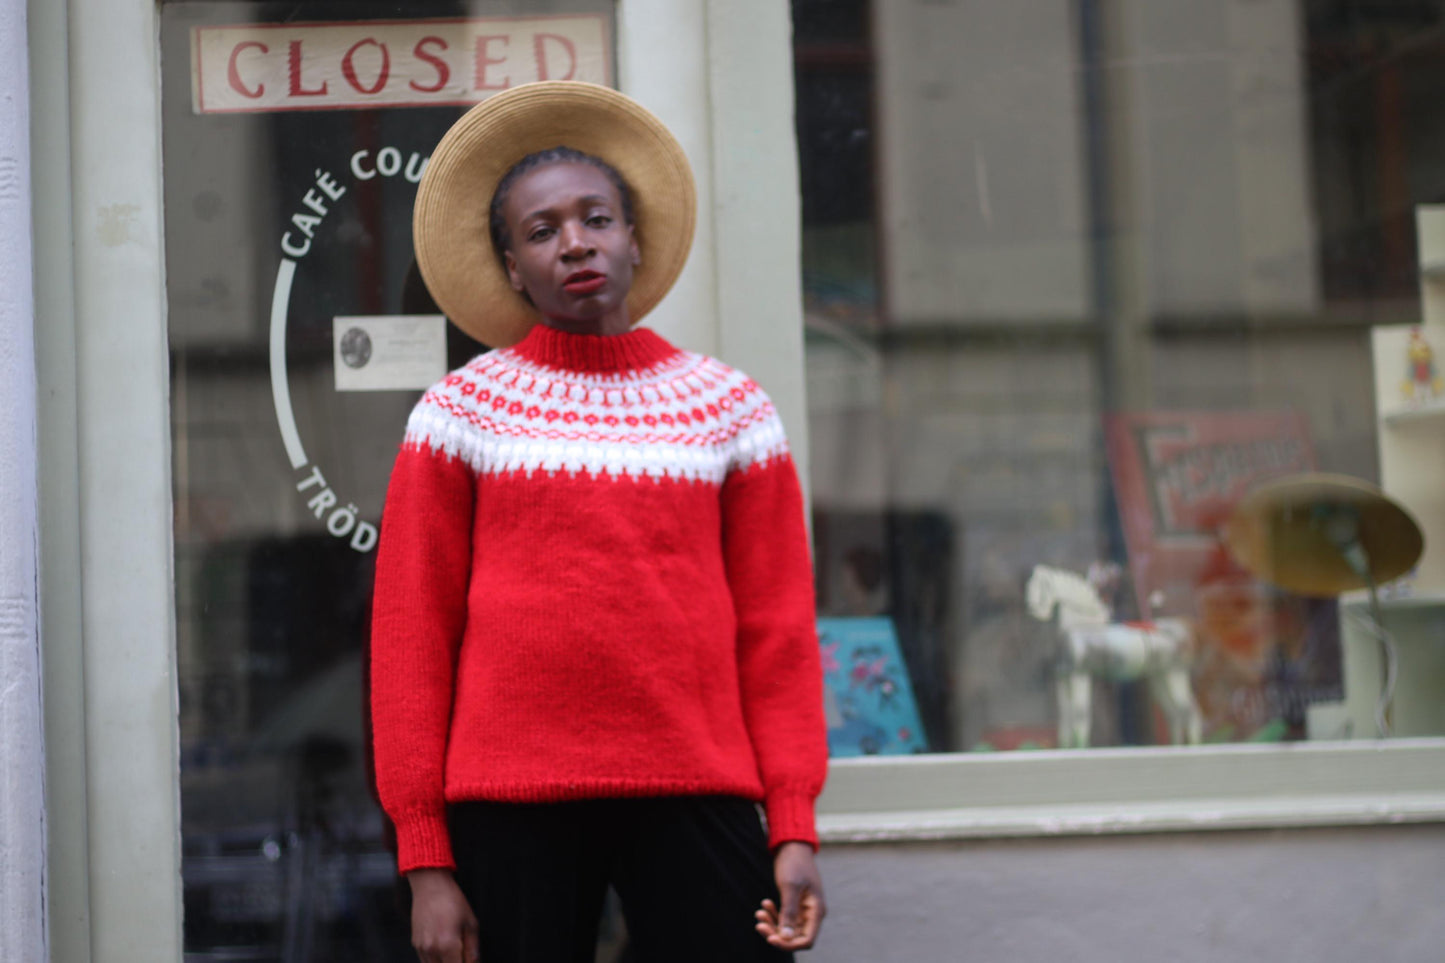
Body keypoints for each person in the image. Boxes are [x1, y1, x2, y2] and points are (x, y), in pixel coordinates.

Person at [369, 81, 829, 963]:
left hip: (697, 785)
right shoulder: (459, 413)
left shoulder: (729, 410)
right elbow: (411, 636)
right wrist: (425, 858)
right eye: (540, 231)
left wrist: (794, 824)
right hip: (508, 805)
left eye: (596, 218)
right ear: (510, 266)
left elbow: (777, 632)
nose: (574, 242)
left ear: (634, 236)